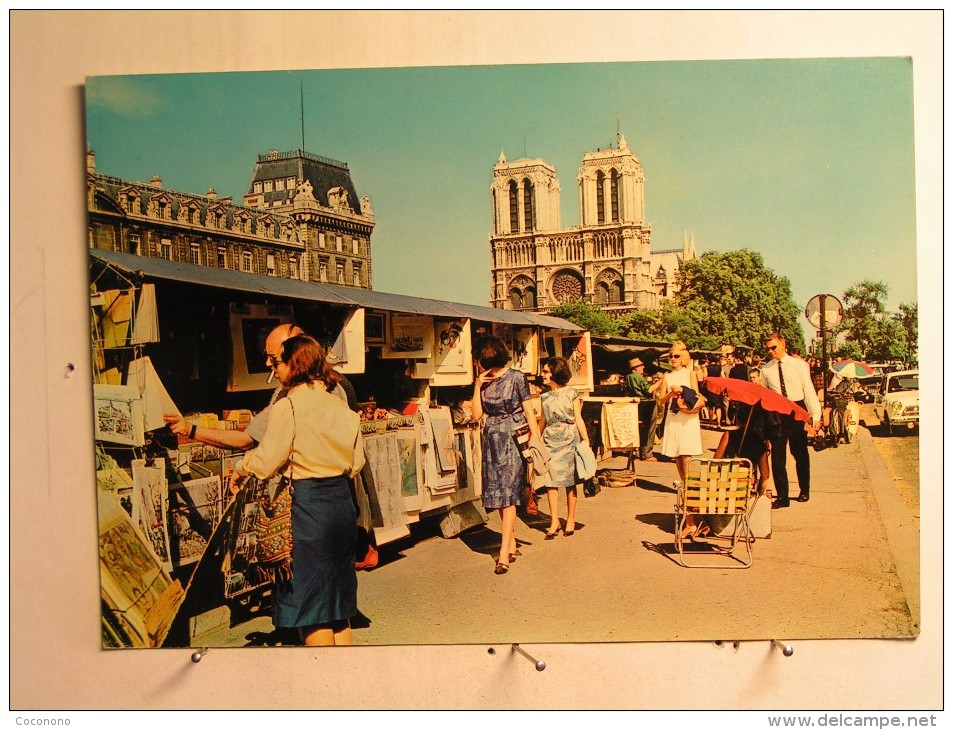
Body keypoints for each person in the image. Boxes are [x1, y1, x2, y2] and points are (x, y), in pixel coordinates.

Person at [231, 335, 365, 646]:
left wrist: (240, 468)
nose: (273, 368)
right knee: (335, 605)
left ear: (296, 364)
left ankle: (323, 686)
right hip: (341, 506)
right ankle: (348, 685)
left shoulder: (288, 406)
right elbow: (356, 462)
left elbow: (266, 460)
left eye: (277, 362)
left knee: (311, 611)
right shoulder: (342, 408)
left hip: (309, 509)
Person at [470, 335, 541, 575]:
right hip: (492, 438)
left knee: (508, 494)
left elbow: (529, 411)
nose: (475, 362)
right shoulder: (485, 382)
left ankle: (503, 554)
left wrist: (536, 440)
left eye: (477, 357)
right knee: (498, 493)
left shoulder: (516, 377)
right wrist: (477, 386)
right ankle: (510, 543)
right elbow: (477, 415)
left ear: (485, 356)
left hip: (513, 438)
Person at [760, 332, 821, 508]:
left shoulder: (800, 365)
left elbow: (808, 390)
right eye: (768, 349)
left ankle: (804, 489)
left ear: (783, 344)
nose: (771, 352)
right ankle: (782, 496)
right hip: (777, 413)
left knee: (799, 453)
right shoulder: (766, 369)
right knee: (778, 456)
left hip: (797, 409)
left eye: (774, 347)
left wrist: (815, 415)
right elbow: (765, 396)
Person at [657, 342, 707, 540]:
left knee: (687, 466)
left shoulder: (690, 373)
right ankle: (692, 520)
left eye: (676, 356)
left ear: (684, 357)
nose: (673, 359)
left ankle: (692, 521)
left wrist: (684, 391)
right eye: (670, 356)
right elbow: (660, 400)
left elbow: (696, 395)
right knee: (679, 463)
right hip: (674, 417)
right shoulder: (666, 377)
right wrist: (672, 392)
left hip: (687, 418)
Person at [538, 357, 589, 538]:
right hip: (550, 440)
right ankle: (554, 521)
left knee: (569, 482)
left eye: (545, 371)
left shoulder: (571, 393)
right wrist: (536, 442)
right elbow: (542, 422)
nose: (542, 375)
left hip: (569, 438)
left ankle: (571, 519)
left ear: (555, 373)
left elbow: (578, 417)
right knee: (551, 482)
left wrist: (585, 440)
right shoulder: (544, 397)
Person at [624, 356, 661, 461]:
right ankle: (646, 453)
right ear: (635, 368)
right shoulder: (638, 377)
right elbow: (649, 390)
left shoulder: (628, 377)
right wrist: (661, 381)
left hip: (636, 404)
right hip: (646, 404)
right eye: (641, 366)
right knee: (649, 428)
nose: (643, 367)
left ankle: (639, 451)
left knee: (640, 429)